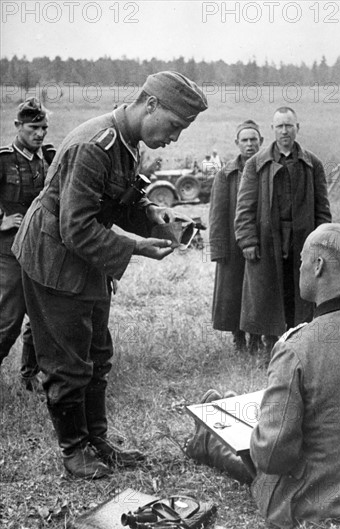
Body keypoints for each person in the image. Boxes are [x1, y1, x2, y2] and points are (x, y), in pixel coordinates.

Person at [12, 71, 208, 479]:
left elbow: (117, 202)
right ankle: (73, 450)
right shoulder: (94, 145)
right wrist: (136, 247)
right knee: (68, 359)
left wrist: (156, 220)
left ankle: (96, 440)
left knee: (98, 354)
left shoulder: (127, 144)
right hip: (54, 256)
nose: (174, 138)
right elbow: (76, 227)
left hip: (84, 256)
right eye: (174, 126)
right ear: (150, 105)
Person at [185, 223, 340, 528]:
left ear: (318, 267)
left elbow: (273, 457)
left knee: (269, 460)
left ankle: (210, 444)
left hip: (322, 501)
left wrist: (260, 426)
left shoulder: (297, 347)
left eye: (303, 259)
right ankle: (217, 429)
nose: (299, 267)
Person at [235, 107, 331, 365]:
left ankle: (300, 350)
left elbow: (323, 210)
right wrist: (248, 240)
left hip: (303, 242)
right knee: (268, 294)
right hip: (267, 243)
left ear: (298, 128)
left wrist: (320, 244)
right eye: (280, 126)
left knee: (299, 293)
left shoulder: (312, 164)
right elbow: (244, 207)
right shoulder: (256, 164)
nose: (285, 131)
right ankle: (271, 351)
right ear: (272, 130)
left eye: (289, 126)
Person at [0, 98, 55, 390]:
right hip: (9, 252)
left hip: (41, 249)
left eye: (44, 127)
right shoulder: (3, 159)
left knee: (41, 318)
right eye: (34, 127)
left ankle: (29, 375)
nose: (40, 134)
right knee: (8, 320)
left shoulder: (49, 157)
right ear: (18, 126)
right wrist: (1, 221)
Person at [209, 120, 264, 352]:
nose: (250, 144)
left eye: (254, 140)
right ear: (237, 143)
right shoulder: (226, 174)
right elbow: (217, 213)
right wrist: (219, 249)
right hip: (232, 246)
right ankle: (238, 337)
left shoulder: (267, 169)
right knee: (233, 292)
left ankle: (257, 337)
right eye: (245, 140)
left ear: (261, 142)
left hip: (258, 242)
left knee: (258, 291)